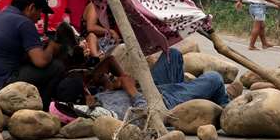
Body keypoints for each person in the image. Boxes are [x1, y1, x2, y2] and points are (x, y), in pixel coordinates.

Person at [53, 48, 230, 120]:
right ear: (84, 96)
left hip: (151, 88)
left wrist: (111, 80)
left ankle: (193, 94)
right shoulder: (105, 112)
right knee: (214, 78)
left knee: (172, 54)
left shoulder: (97, 98)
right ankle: (226, 112)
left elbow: (110, 60)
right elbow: (145, 115)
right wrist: (131, 91)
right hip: (162, 101)